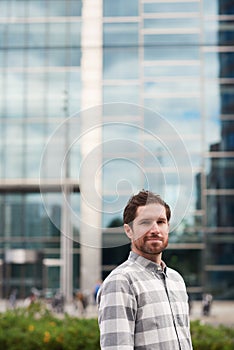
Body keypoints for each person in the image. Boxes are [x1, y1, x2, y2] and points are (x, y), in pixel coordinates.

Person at [97, 190, 193, 349]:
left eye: (161, 222)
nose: (155, 229)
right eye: (145, 222)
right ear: (129, 230)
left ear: (167, 227)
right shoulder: (121, 282)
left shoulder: (176, 280)